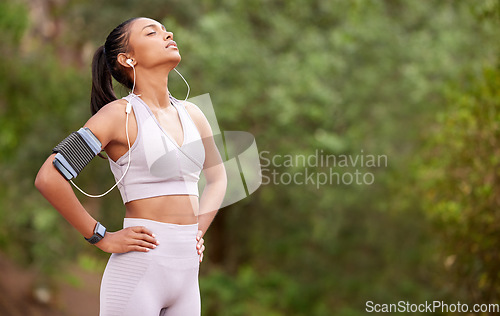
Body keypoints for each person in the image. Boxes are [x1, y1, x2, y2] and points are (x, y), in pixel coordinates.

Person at [35, 17, 227, 316]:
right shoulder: (117, 116)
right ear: (128, 58)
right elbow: (49, 176)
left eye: (166, 30)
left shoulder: (195, 114)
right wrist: (100, 236)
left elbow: (218, 177)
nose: (168, 34)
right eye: (152, 32)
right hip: (139, 271)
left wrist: (197, 233)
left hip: (187, 275)